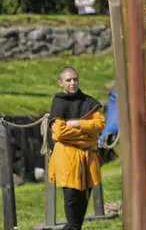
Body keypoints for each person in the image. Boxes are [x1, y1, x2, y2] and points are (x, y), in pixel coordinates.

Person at [48, 66, 106, 230]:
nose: (72, 83)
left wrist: (79, 123)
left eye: (75, 79)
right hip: (67, 159)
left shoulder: (89, 102)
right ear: (61, 83)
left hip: (87, 160)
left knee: (83, 202)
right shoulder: (58, 102)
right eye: (68, 80)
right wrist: (89, 137)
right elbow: (59, 133)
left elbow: (99, 123)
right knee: (72, 200)